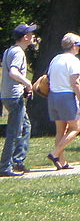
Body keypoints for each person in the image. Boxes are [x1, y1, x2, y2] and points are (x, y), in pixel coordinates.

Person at [1, 23, 37, 177]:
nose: (33, 36)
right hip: (14, 96)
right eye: (31, 34)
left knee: (25, 125)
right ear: (25, 37)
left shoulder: (9, 50)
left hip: (7, 95)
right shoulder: (18, 53)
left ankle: (18, 161)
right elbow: (13, 73)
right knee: (14, 131)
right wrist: (27, 83)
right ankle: (5, 167)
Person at [46, 32, 80, 170]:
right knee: (76, 127)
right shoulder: (74, 61)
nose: (79, 48)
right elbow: (75, 83)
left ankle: (61, 162)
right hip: (66, 96)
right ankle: (55, 153)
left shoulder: (55, 59)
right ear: (73, 46)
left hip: (53, 96)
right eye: (78, 45)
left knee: (60, 131)